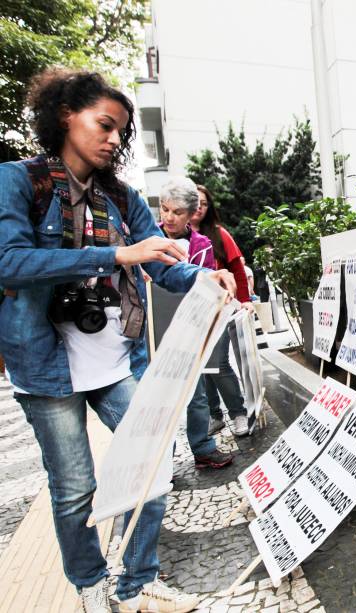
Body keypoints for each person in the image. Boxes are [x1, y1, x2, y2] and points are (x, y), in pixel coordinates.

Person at [0, 69, 236, 612]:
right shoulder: (19, 181)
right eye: (104, 125)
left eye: (119, 132)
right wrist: (113, 255)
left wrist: (207, 278)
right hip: (44, 366)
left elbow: (163, 265)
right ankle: (91, 587)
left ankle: (136, 585)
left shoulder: (121, 196)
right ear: (66, 115)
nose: (112, 139)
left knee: (149, 473)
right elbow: (10, 260)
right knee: (76, 490)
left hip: (113, 359)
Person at [158, 178, 235, 467]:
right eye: (165, 209)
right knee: (160, 399)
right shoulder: (150, 239)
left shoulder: (201, 244)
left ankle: (202, 448)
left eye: (177, 212)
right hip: (156, 328)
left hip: (191, 326)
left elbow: (207, 284)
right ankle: (163, 461)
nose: (169, 217)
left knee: (196, 393)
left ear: (191, 214)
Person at [189, 186, 253, 436]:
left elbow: (237, 268)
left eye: (203, 204)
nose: (198, 208)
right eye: (194, 203)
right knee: (201, 367)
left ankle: (238, 413)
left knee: (218, 362)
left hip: (219, 308)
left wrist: (245, 299)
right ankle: (214, 415)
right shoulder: (171, 234)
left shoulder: (219, 234)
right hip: (188, 312)